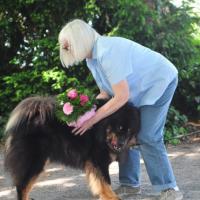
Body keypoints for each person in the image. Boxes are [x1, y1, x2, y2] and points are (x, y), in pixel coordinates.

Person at [58, 19, 183, 200]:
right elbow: (105, 92)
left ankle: (169, 189)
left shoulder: (108, 51)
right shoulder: (91, 60)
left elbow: (121, 96)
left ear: (80, 39)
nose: (66, 49)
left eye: (68, 45)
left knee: (148, 136)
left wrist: (92, 120)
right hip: (133, 92)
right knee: (123, 132)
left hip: (159, 82)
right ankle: (130, 185)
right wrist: (84, 110)